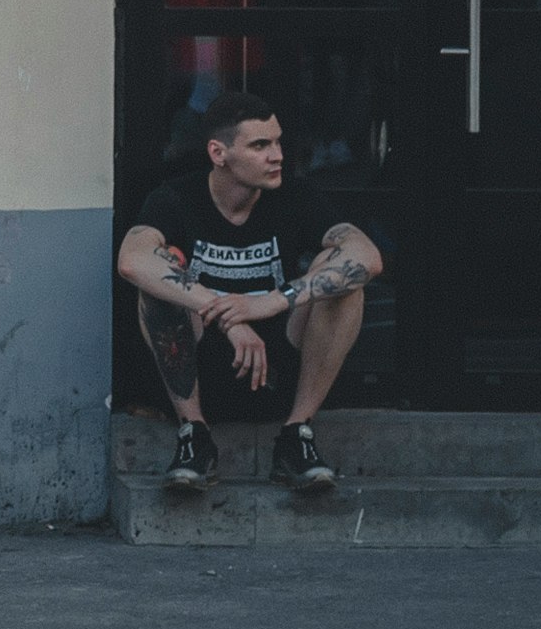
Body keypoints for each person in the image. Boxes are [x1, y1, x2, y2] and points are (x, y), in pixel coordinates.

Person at [118, 93, 388, 496]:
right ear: (218, 153)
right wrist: (228, 317)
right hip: (200, 370)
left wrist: (272, 301)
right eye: (260, 145)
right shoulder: (176, 198)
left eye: (277, 142)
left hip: (280, 366)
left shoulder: (295, 196)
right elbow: (131, 259)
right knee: (160, 283)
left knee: (341, 279)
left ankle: (296, 434)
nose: (276, 155)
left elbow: (367, 255)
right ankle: (194, 436)